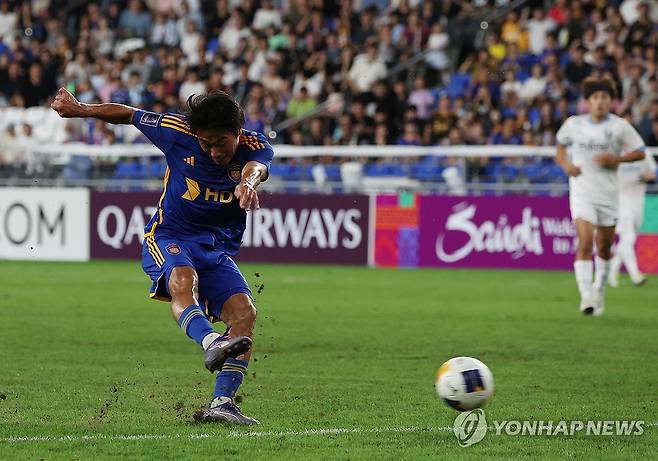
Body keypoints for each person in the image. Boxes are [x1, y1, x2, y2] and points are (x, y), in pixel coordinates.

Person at [51, 87, 273, 424]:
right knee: (184, 280)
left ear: (237, 134)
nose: (213, 152)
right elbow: (129, 114)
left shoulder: (255, 145)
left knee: (245, 314)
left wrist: (249, 183)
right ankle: (211, 340)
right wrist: (82, 109)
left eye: (220, 143)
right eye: (206, 144)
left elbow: (257, 167)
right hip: (170, 237)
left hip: (214, 248)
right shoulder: (176, 131)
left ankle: (222, 403)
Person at [555, 76, 646, 316]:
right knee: (585, 240)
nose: (600, 102)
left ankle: (599, 289)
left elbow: (640, 152)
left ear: (611, 101)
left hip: (608, 193)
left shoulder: (619, 126)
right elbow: (560, 147)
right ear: (588, 102)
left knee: (604, 247)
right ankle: (586, 296)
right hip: (582, 191)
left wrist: (615, 159)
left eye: (605, 98)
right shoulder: (574, 124)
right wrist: (567, 167)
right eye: (595, 98)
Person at [608, 153, 657, 287]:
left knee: (628, 240)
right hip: (623, 200)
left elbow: (653, 171)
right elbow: (614, 177)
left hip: (639, 200)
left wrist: (649, 175)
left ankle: (611, 271)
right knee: (628, 238)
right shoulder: (617, 152)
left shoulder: (643, 152)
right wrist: (639, 177)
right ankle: (635, 275)